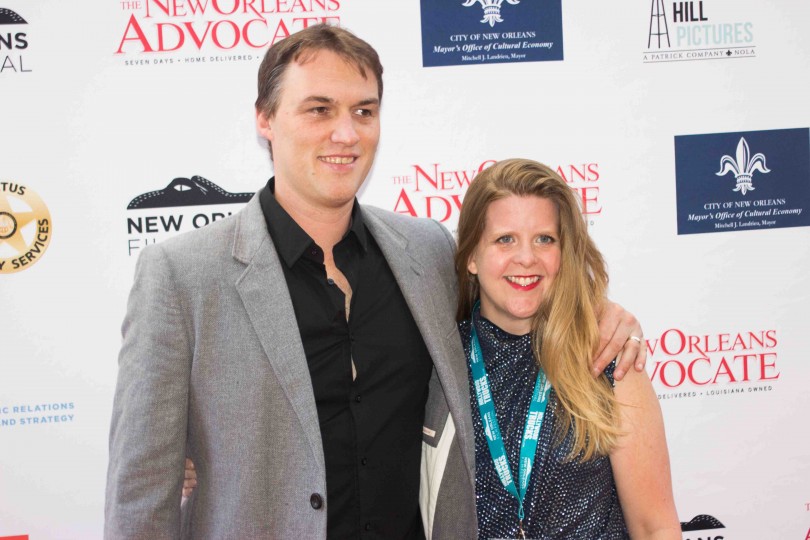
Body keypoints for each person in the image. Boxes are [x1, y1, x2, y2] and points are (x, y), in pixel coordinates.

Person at [105, 24, 647, 539]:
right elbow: (140, 495)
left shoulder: (428, 253)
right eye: (319, 110)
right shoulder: (182, 276)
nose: (346, 132)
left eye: (363, 111)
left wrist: (602, 315)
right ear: (265, 119)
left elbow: (516, 292)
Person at [455, 158, 680, 539]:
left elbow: (654, 527)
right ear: (473, 257)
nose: (526, 257)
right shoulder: (442, 362)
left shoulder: (608, 355)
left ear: (565, 253)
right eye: (504, 239)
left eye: (545, 239)